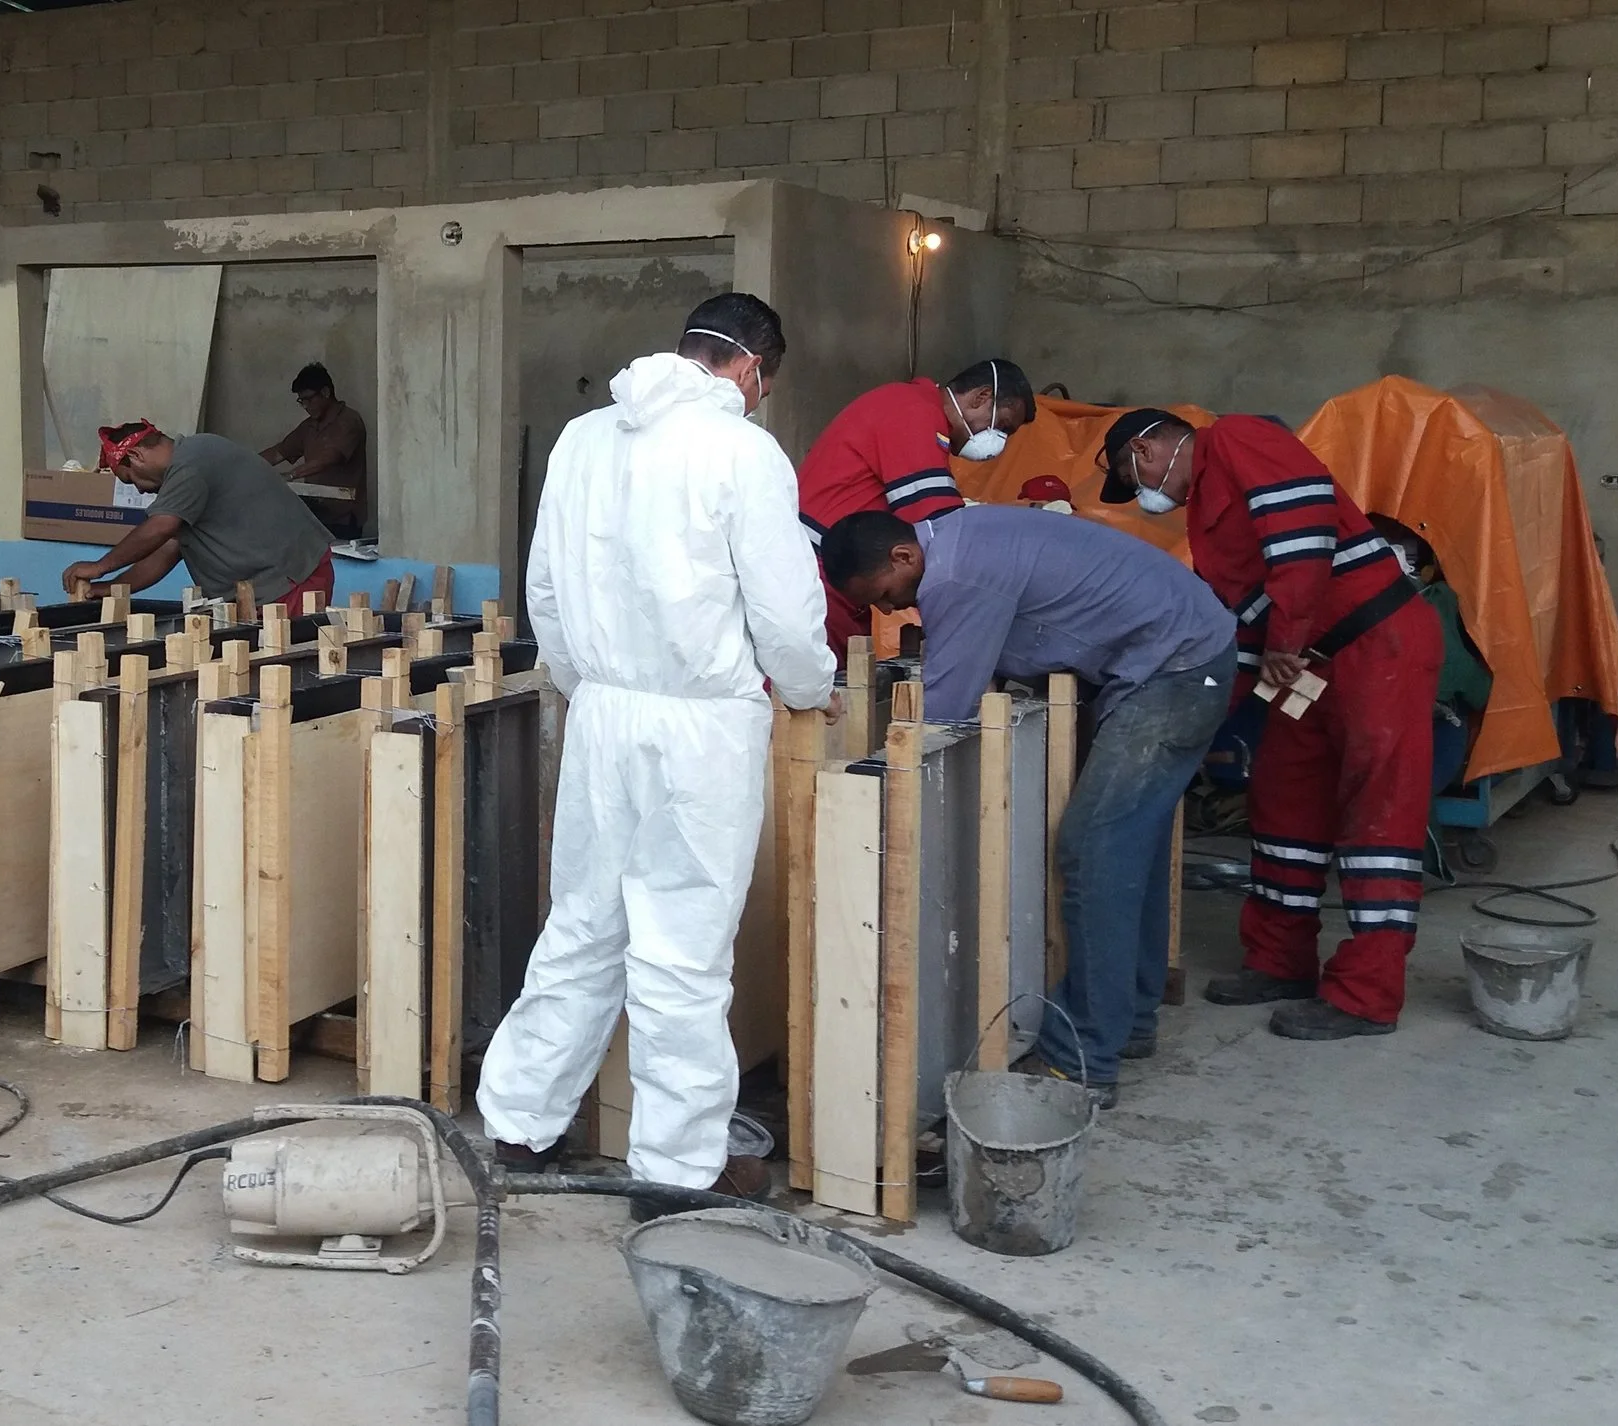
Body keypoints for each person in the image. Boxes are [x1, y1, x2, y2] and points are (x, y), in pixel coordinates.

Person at [476, 293, 839, 1211]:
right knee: (681, 948)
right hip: (701, 724)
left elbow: (545, 589)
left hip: (602, 712)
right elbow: (787, 610)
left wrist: (584, 679)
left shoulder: (583, 437)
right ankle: (676, 1170)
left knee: (584, 920)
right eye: (767, 381)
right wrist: (806, 689)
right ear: (754, 366)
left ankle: (518, 1125)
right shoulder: (743, 452)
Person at [819, 508, 1237, 1105]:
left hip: (1175, 669)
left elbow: (946, 708)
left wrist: (872, 774)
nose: (891, 612)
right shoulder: (961, 541)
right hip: (1175, 656)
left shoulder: (955, 576)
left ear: (903, 558)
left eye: (888, 596)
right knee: (1123, 848)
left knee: (1094, 849)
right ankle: (1130, 1020)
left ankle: (1084, 1059)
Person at [1100, 409, 1442, 1041]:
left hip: (1375, 646)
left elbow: (1303, 534)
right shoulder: (1205, 515)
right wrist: (1188, 722)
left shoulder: (1234, 439)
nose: (1148, 491)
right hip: (1306, 667)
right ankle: (1280, 961)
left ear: (1147, 450)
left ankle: (1367, 995)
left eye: (1132, 472)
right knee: (1284, 800)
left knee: (1377, 816)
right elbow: (1235, 629)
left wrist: (1285, 641)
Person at [798, 359, 1039, 653]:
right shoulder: (913, 412)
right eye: (1001, 426)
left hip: (838, 576)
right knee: (816, 689)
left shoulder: (911, 407)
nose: (999, 441)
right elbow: (945, 536)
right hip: (820, 578)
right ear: (981, 397)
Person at [58, 422, 336, 610]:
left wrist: (101, 566)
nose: (140, 490)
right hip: (266, 589)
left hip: (292, 581)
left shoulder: (191, 462)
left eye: (130, 480)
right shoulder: (187, 470)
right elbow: (168, 549)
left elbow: (160, 528)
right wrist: (111, 589)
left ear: (136, 455)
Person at [258, 363, 370, 541]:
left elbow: (330, 457)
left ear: (325, 392)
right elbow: (279, 452)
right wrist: (246, 465)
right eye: (301, 401)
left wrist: (291, 475)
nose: (306, 406)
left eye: (309, 399)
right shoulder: (308, 426)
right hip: (315, 515)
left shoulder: (349, 421)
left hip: (344, 519)